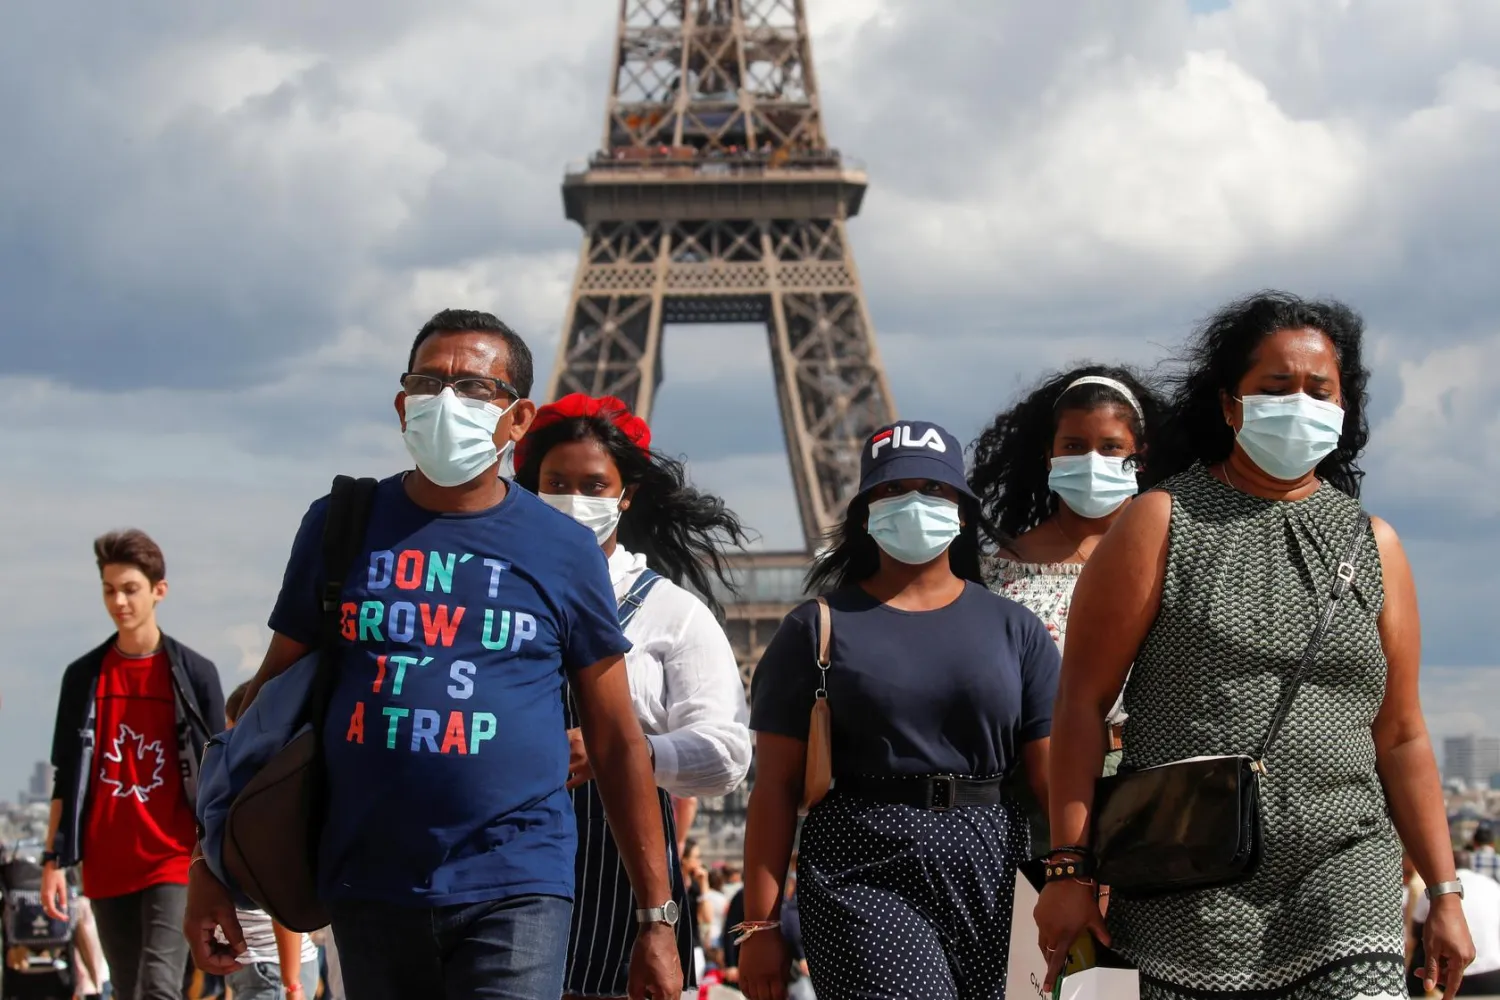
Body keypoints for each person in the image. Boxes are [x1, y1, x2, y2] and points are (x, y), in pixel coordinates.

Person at [181, 309, 682, 1000]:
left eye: (476, 388)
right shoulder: (341, 525)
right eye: (428, 382)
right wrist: (210, 869)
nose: (448, 402)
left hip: (517, 879)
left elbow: (616, 736)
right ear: (400, 405)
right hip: (368, 879)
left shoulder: (563, 550)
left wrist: (656, 919)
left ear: (518, 420)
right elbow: (262, 708)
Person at [1036, 291, 1475, 1000]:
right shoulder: (1160, 521)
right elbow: (1081, 704)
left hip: (1345, 863)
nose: (1299, 402)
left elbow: (1400, 734)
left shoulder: (1375, 544)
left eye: (1318, 390)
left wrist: (1445, 891)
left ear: (1344, 409)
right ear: (1231, 405)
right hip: (1191, 869)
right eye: (1276, 388)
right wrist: (1070, 870)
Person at [738, 420, 1059, 1000]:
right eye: (893, 490)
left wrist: (1076, 872)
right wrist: (760, 925)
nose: (914, 503)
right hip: (864, 862)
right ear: (864, 511)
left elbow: (1049, 775)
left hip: (994, 862)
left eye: (932, 489)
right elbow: (775, 788)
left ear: (961, 511)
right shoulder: (813, 629)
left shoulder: (1016, 628)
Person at [512, 391, 752, 999]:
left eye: (594, 484)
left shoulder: (672, 614)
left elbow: (726, 753)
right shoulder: (495, 596)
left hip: (621, 892)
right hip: (499, 876)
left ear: (626, 494)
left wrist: (627, 754)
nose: (573, 498)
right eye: (556, 481)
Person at [969, 364, 1163, 855]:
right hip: (1031, 792)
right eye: (1074, 446)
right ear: (1048, 456)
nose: (1092, 459)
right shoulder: (999, 573)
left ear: (1139, 458)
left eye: (1110, 447)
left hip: (1155, 779)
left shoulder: (1176, 557)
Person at [41, 529, 225, 1000]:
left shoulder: (194, 674)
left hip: (173, 858)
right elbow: (65, 774)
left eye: (130, 589)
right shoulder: (84, 676)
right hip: (105, 862)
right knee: (126, 989)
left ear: (158, 591)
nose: (118, 601)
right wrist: (52, 862)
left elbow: (219, 772)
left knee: (159, 987)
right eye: (109, 589)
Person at [221, 682, 319, 1000]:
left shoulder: (265, 795)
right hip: (260, 965)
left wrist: (292, 983)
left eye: (233, 730)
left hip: (273, 967)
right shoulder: (246, 790)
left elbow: (282, 889)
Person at [1409, 855, 1500, 996]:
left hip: (1447, 978)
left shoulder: (1436, 889)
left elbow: (1415, 932)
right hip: (1493, 974)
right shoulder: (1492, 885)